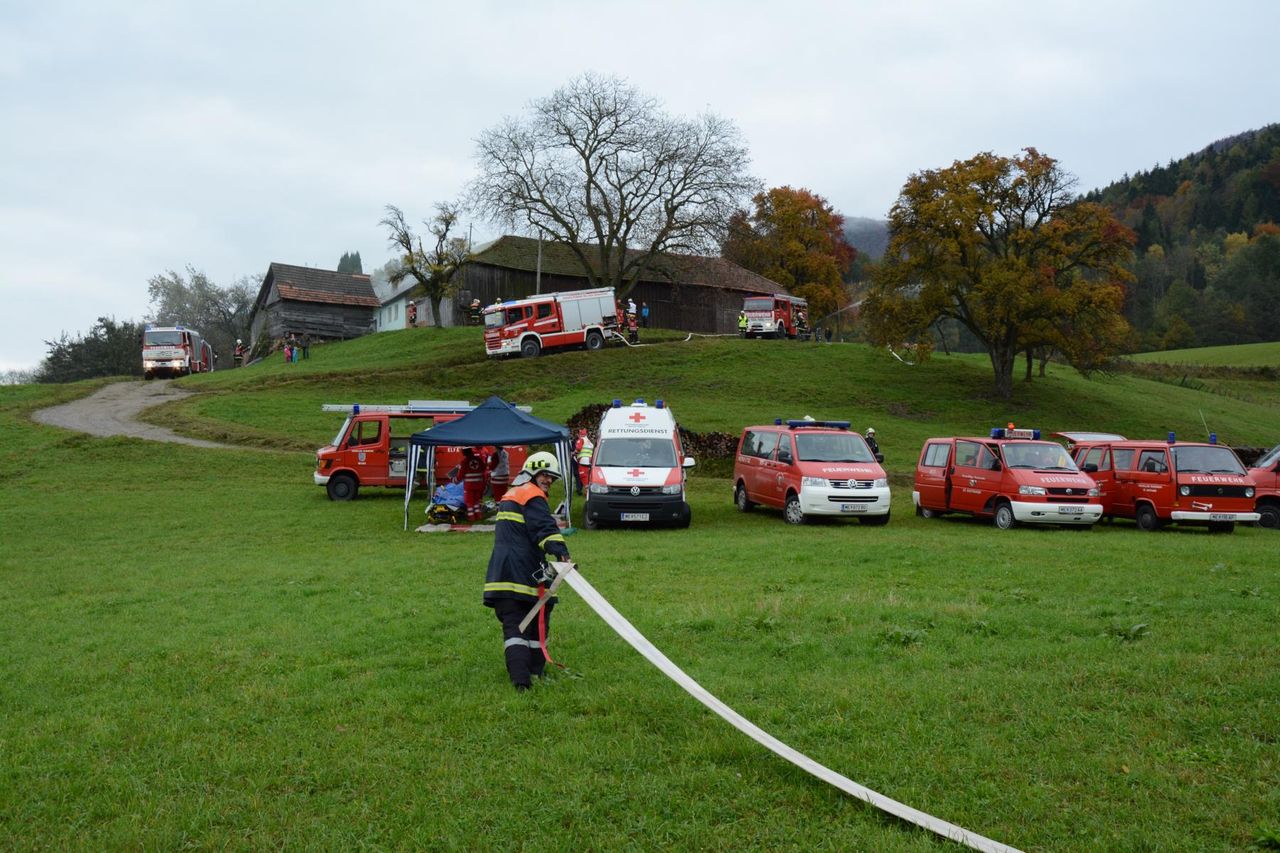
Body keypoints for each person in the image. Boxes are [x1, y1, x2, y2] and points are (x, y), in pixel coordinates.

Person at [484, 452, 571, 691]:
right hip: (524, 572)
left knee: (517, 626)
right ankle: (529, 676)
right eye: (545, 475)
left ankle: (525, 678)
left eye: (552, 478)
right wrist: (562, 553)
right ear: (533, 471)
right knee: (532, 621)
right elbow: (544, 528)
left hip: (502, 572)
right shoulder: (531, 495)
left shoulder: (511, 494)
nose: (548, 481)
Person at [460, 447, 489, 521]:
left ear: (465, 452)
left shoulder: (464, 461)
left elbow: (460, 475)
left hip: (469, 486)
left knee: (469, 502)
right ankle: (478, 515)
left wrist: (454, 480)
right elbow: (483, 468)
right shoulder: (478, 459)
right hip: (478, 484)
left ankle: (471, 517)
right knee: (476, 500)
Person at [573, 429, 594, 496]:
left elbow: (578, 448)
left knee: (583, 476)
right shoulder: (589, 442)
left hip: (583, 460)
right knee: (588, 476)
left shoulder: (581, 439)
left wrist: (573, 453)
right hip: (590, 461)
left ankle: (587, 492)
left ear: (580, 434)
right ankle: (588, 491)